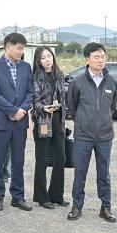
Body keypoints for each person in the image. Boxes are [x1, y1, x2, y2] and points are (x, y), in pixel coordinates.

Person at [67, 42, 117, 223]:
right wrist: (84, 122)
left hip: (105, 136)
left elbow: (112, 107)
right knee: (80, 173)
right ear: (87, 59)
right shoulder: (77, 82)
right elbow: (72, 107)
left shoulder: (111, 82)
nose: (100, 60)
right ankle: (77, 206)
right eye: (96, 57)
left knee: (104, 173)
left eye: (103, 56)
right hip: (83, 136)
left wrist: (102, 121)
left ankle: (106, 208)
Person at [0, 33, 34, 212]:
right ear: (8, 47)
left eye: (23, 48)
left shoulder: (25, 67)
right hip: (0, 121)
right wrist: (13, 111)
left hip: (20, 122)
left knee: (18, 161)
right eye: (19, 48)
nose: (21, 52)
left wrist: (21, 110)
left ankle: (18, 197)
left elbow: (30, 92)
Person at [31, 46, 70, 209]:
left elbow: (63, 98)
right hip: (43, 120)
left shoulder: (59, 75)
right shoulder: (36, 78)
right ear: (38, 61)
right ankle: (41, 197)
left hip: (58, 119)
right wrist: (43, 108)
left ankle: (56, 195)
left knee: (61, 157)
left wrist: (64, 116)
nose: (47, 60)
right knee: (42, 159)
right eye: (43, 57)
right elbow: (35, 101)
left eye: (49, 56)